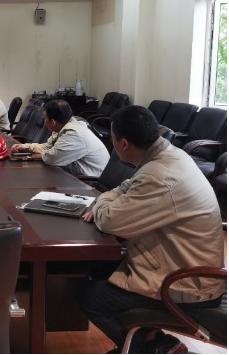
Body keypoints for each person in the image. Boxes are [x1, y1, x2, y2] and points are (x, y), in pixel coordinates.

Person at [79, 105, 224, 354]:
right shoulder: (167, 156)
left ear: (123, 144)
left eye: (112, 140)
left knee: (90, 297)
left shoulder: (159, 175)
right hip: (186, 265)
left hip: (189, 283)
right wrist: (112, 197)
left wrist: (101, 200)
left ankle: (149, 349)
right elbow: (126, 186)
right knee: (101, 267)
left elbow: (110, 220)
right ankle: (153, 342)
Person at [11, 100, 109, 177]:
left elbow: (52, 158)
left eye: (45, 118)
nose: (44, 121)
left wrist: (37, 155)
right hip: (74, 175)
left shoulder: (74, 134)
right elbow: (48, 147)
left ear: (53, 122)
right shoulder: (62, 126)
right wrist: (25, 147)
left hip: (90, 183)